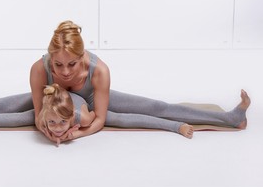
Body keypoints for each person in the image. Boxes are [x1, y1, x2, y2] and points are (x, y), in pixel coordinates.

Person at [30, 20, 251, 142]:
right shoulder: (39, 69)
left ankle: (230, 118)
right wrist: (47, 131)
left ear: (82, 56)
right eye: (58, 65)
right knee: (19, 109)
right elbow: (40, 115)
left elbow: (99, 120)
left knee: (156, 107)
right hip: (66, 107)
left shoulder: (99, 71)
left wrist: (77, 134)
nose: (65, 72)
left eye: (72, 64)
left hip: (91, 102)